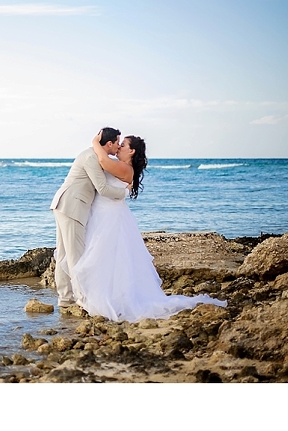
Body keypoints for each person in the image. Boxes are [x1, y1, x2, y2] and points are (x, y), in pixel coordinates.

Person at [70, 131, 226, 322]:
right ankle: (92, 295)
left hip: (109, 216)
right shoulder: (121, 166)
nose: (119, 147)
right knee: (103, 256)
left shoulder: (125, 169)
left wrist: (95, 141)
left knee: (105, 256)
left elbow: (102, 161)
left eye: (123, 145)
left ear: (132, 151)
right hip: (101, 213)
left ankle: (107, 299)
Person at [50, 128, 127, 308]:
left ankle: (65, 299)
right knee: (75, 256)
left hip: (65, 205)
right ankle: (82, 299)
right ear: (109, 144)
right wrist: (125, 192)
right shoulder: (91, 157)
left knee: (64, 254)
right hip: (71, 207)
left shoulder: (93, 154)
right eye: (117, 142)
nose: (118, 146)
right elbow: (102, 189)